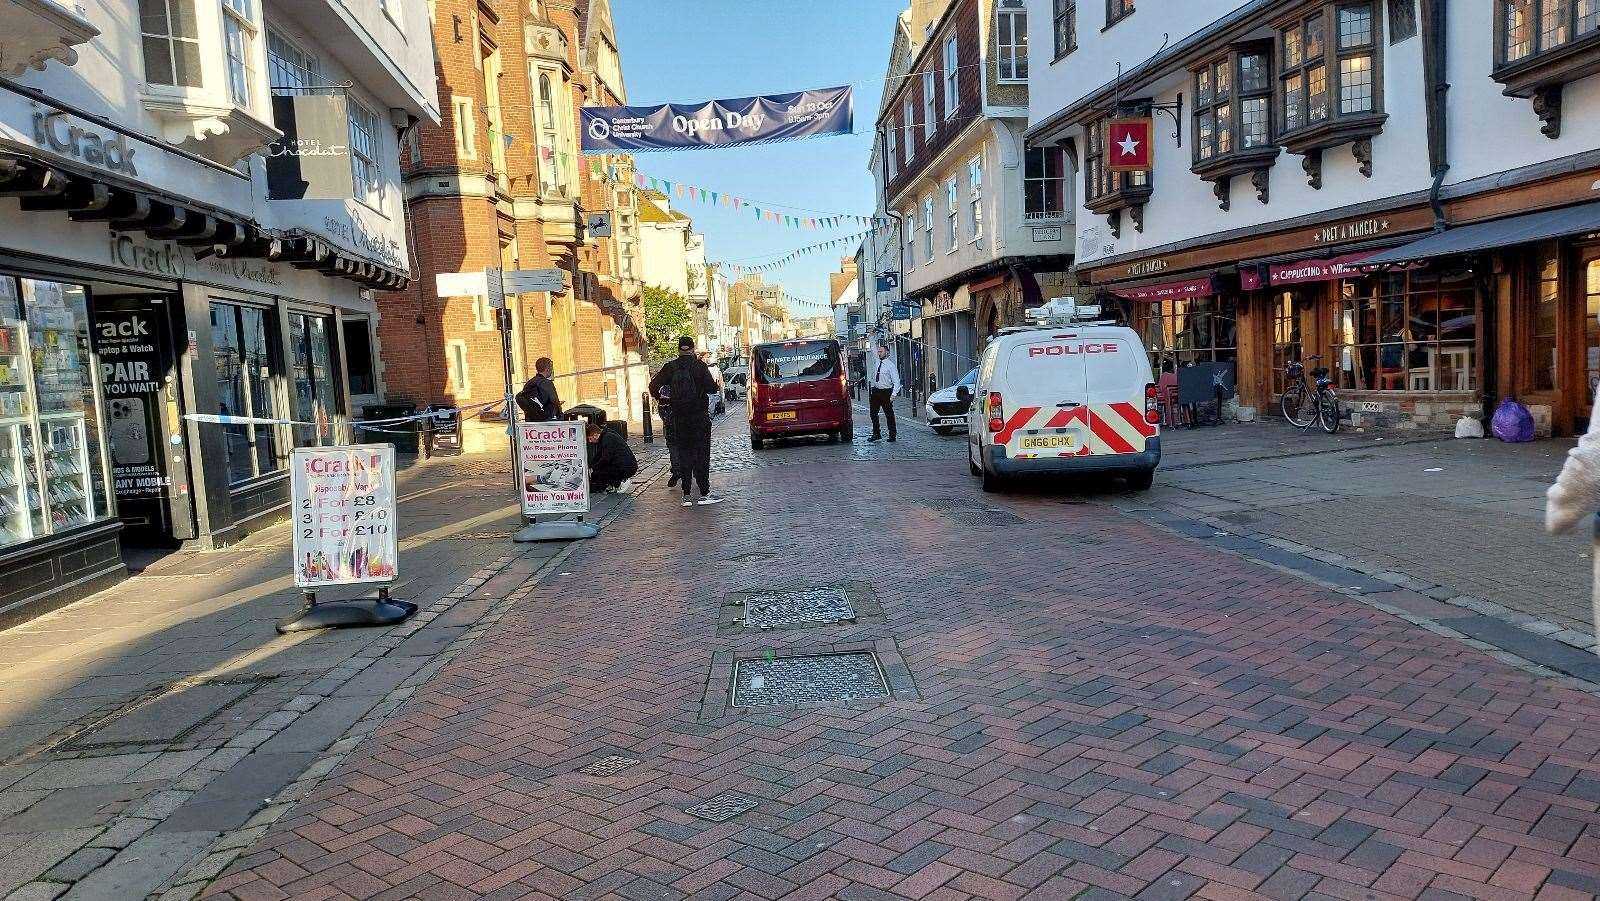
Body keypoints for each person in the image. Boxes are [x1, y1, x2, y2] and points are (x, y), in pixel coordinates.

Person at [651, 336, 720, 506]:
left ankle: (686, 495)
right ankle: (704, 493)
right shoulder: (699, 366)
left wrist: (662, 398)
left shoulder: (670, 367)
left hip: (679, 418)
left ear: (678, 349)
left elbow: (653, 386)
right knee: (702, 454)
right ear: (692, 348)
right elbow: (712, 388)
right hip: (699, 417)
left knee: (684, 454)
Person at [586, 421, 638, 493]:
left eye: (590, 438)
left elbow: (606, 459)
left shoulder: (607, 438)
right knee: (598, 470)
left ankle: (621, 482)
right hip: (624, 465)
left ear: (595, 435)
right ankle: (613, 484)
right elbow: (598, 456)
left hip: (627, 468)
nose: (590, 441)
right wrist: (590, 466)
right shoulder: (605, 436)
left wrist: (593, 468)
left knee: (601, 470)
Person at [867, 342, 901, 442]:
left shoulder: (891, 366)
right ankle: (876, 433)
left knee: (889, 414)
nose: (879, 353)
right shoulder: (877, 361)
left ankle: (892, 435)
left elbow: (896, 381)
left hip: (886, 392)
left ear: (887, 353)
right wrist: (871, 336)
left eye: (881, 351)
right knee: (873, 413)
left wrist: (893, 395)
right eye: (879, 351)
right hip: (876, 391)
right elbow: (873, 348)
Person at [515, 357, 562, 422]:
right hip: (547, 421)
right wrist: (561, 417)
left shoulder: (529, 383)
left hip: (531, 421)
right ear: (547, 369)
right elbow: (555, 402)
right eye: (551, 368)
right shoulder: (547, 383)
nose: (552, 370)